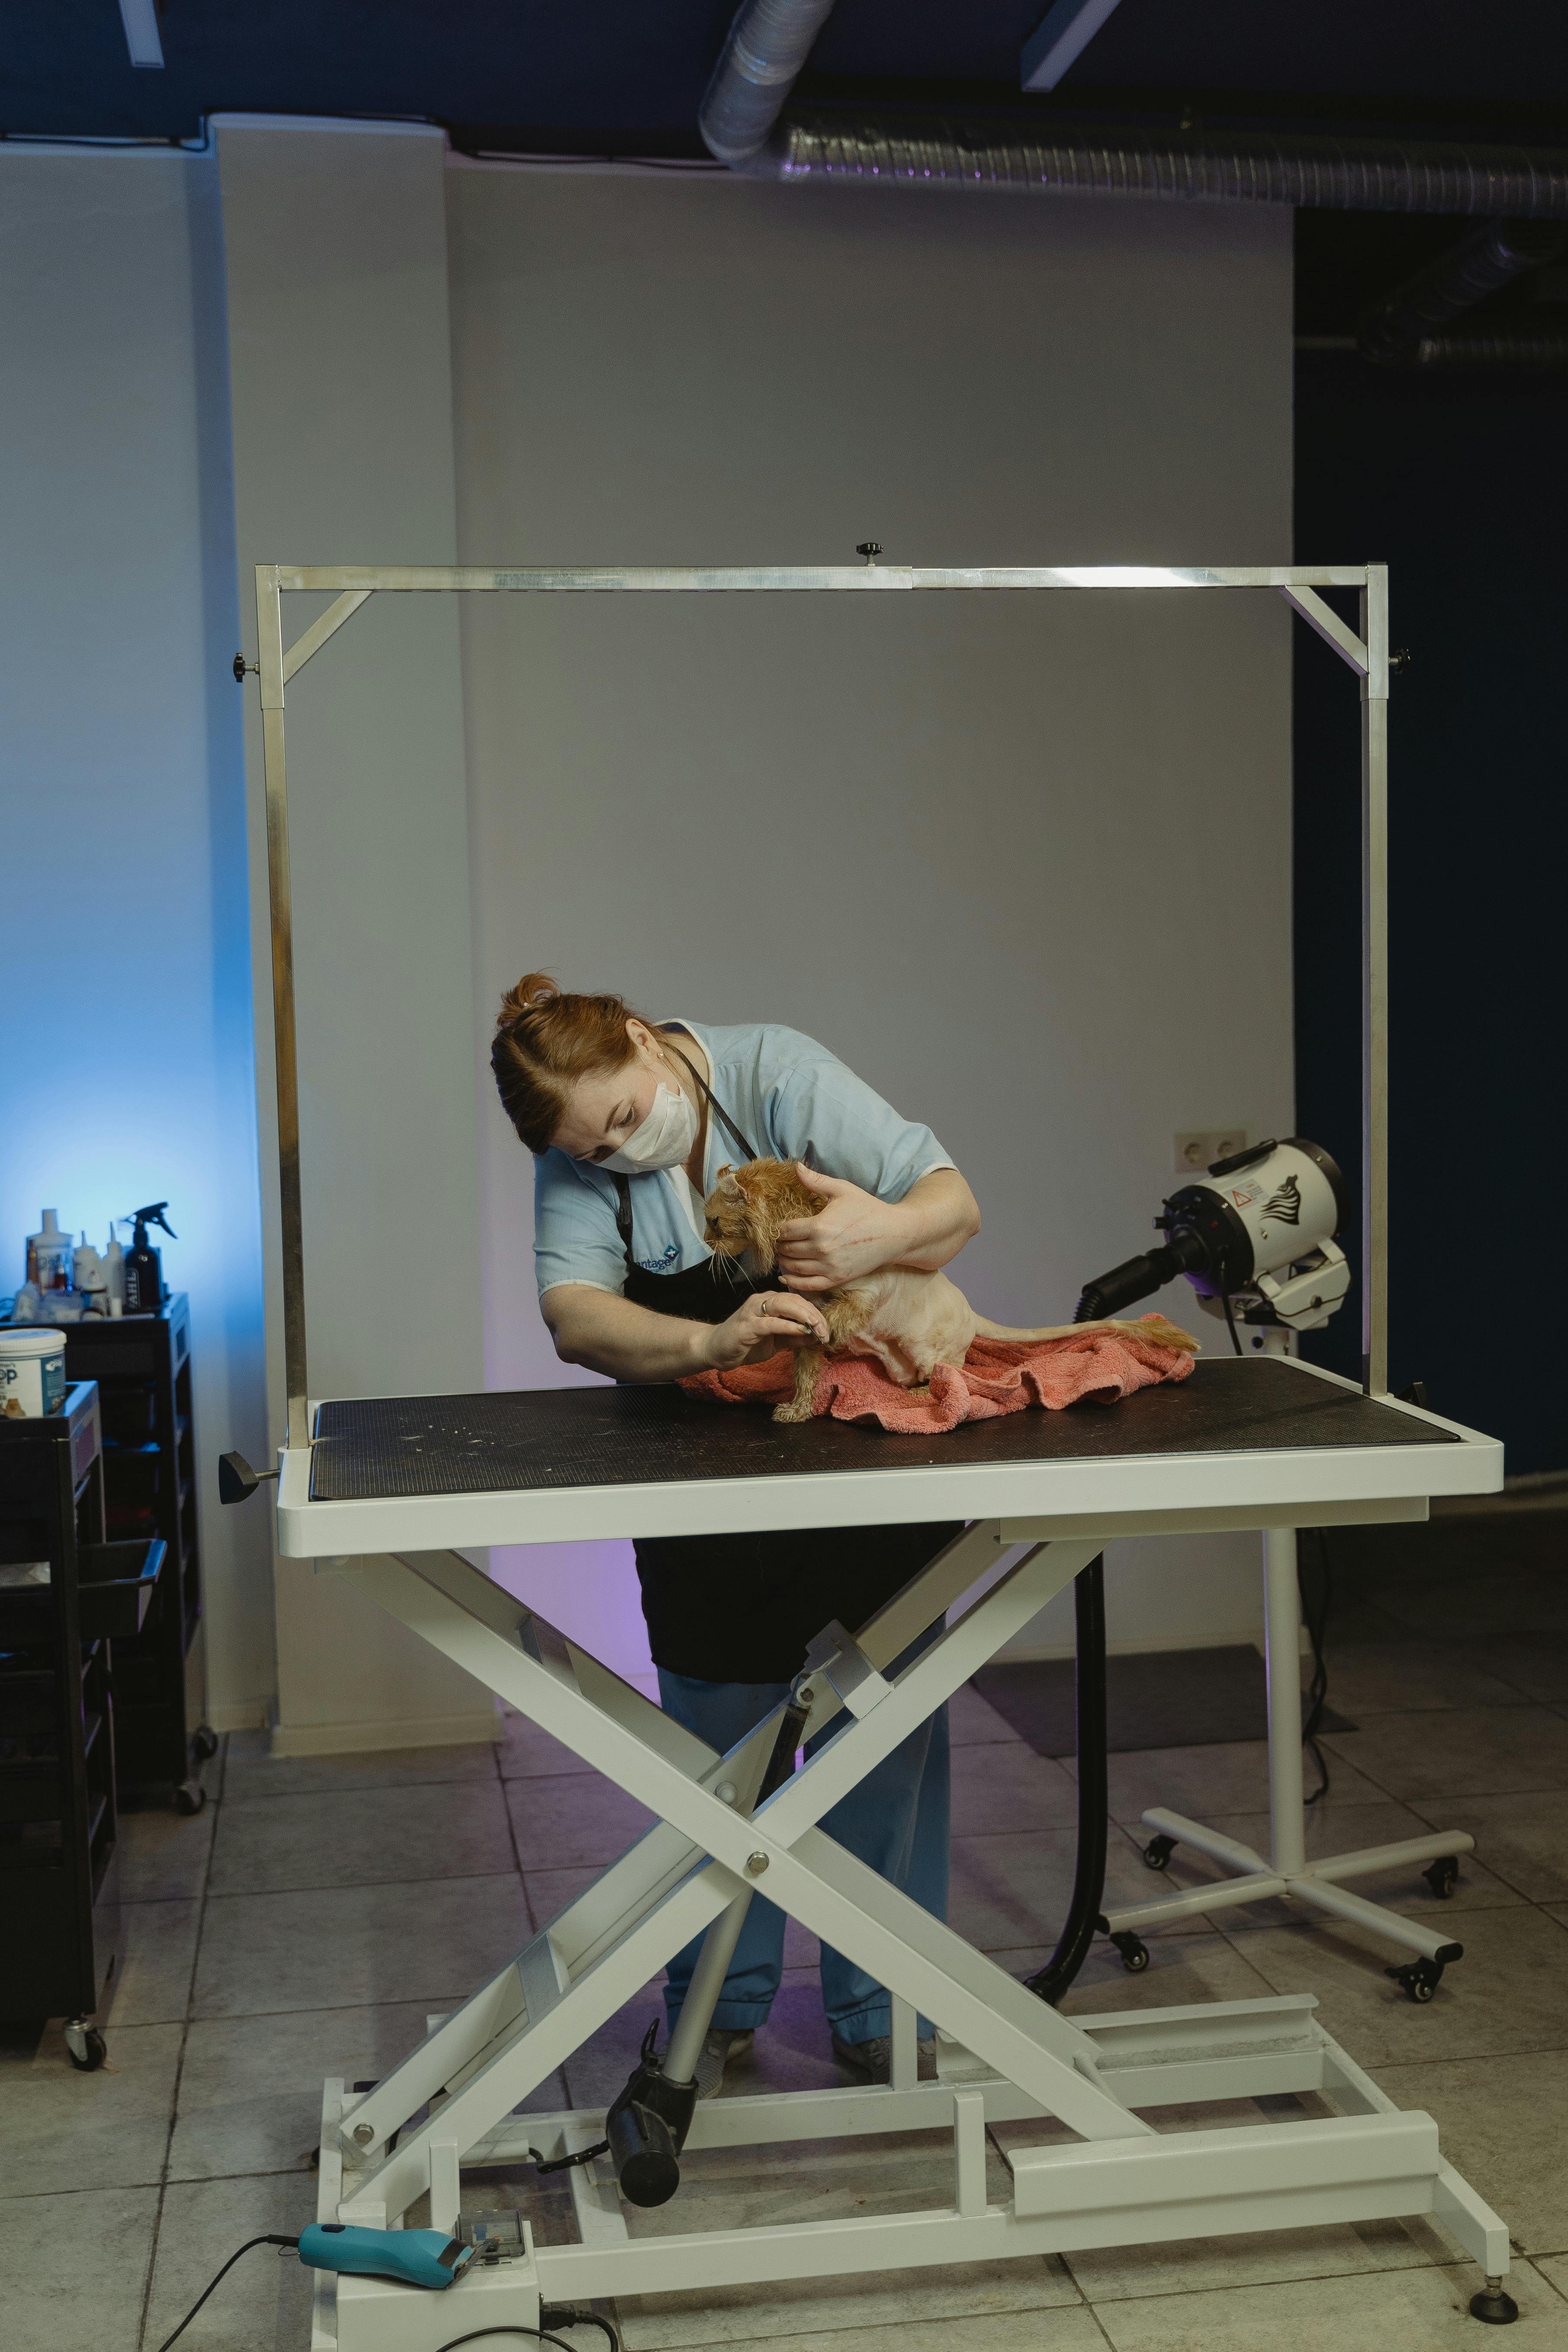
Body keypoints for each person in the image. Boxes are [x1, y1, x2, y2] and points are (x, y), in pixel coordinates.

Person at [490, 975, 982, 2095]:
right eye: (591, 1147)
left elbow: (953, 1206)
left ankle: (882, 2005)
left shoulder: (775, 1068)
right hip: (702, 1483)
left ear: (636, 1038)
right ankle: (716, 2003)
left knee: (881, 1735)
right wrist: (714, 1336)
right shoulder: (576, 1157)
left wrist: (880, 1232)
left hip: (867, 1456)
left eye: (621, 1117)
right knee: (713, 1755)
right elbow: (574, 1313)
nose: (617, 1150)